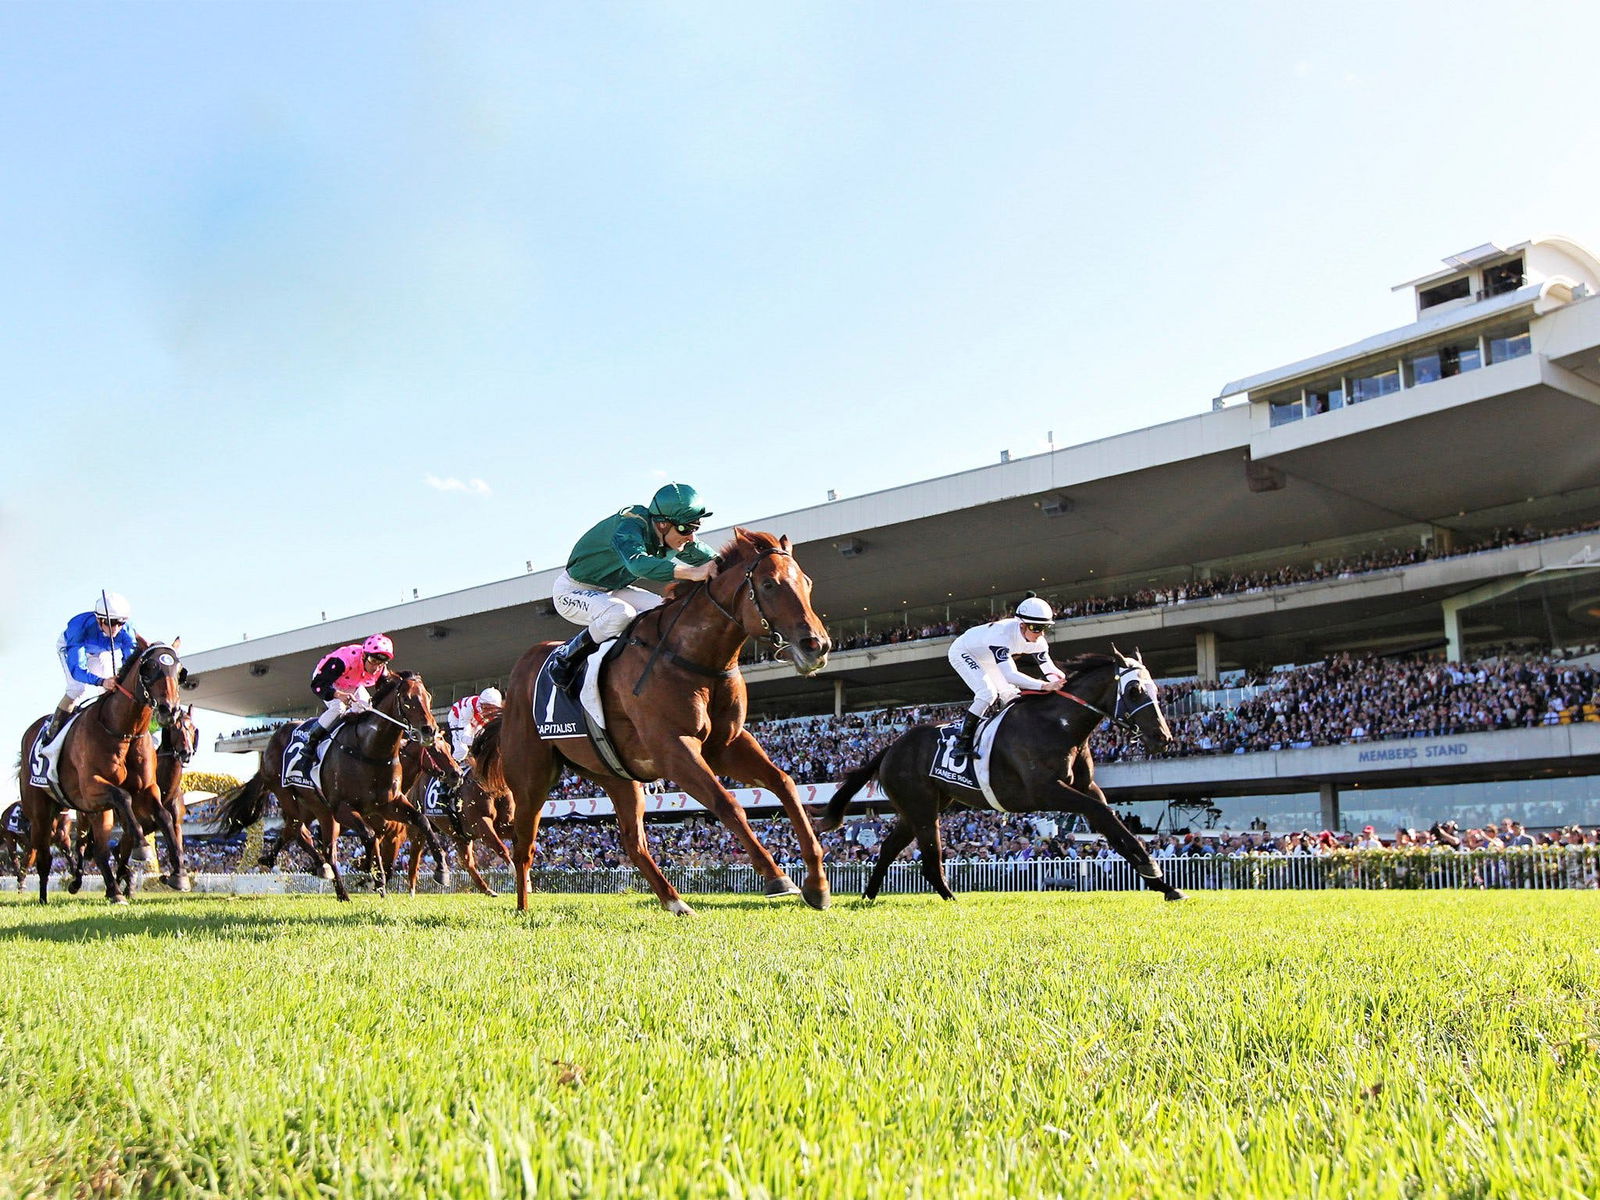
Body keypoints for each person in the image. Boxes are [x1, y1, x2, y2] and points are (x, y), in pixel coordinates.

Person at [546, 482, 721, 692]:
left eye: (695, 527)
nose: (691, 537)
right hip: (572, 590)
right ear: (663, 524)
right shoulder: (630, 525)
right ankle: (566, 658)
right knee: (621, 614)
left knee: (664, 610)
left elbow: (717, 561)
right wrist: (692, 573)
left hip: (612, 590)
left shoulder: (676, 536)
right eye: (685, 528)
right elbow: (638, 564)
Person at [945, 594, 1066, 759]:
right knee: (987, 693)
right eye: (1036, 628)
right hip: (964, 652)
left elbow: (1049, 670)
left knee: (1011, 696)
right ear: (1022, 626)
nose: (1041, 634)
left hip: (988, 657)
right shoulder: (1002, 635)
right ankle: (961, 743)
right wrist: (1044, 686)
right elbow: (1010, 675)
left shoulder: (1038, 642)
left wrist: (1065, 683)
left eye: (1045, 628)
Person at [286, 634, 395, 779]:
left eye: (380, 663)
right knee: (338, 708)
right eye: (373, 661)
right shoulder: (342, 661)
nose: (375, 668)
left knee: (367, 708)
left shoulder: (381, 670)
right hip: (328, 682)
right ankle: (310, 743)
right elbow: (318, 685)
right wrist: (338, 695)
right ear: (364, 656)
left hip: (352, 684)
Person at [46, 591, 139, 741]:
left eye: (120, 623)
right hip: (73, 649)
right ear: (99, 619)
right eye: (111, 623)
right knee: (77, 689)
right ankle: (51, 735)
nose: (116, 629)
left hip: (100, 652)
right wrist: (102, 681)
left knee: (111, 690)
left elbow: (131, 664)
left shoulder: (127, 631)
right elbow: (78, 670)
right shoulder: (79, 628)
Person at [447, 687, 502, 763]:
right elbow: (464, 737)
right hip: (457, 718)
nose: (487, 711)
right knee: (462, 750)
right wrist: (480, 741)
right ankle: (453, 767)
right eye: (485, 706)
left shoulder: (495, 713)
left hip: (475, 719)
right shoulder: (468, 709)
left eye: (491, 708)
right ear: (481, 703)